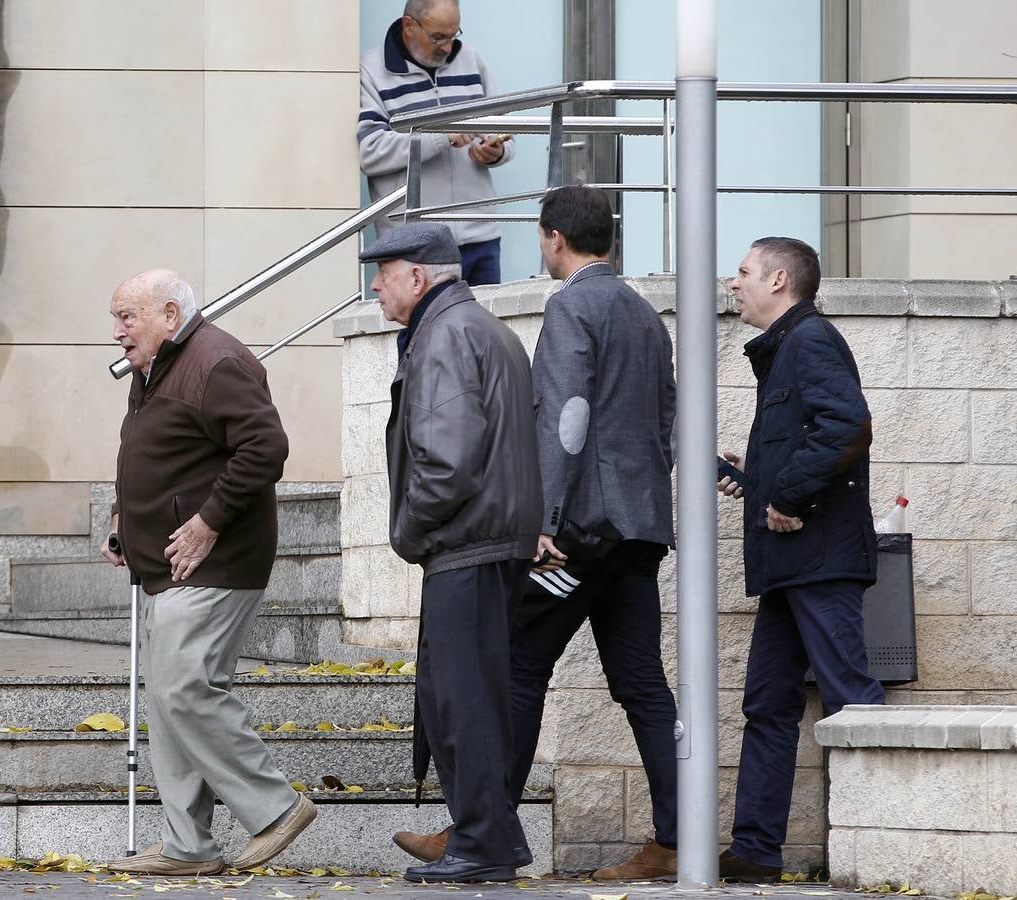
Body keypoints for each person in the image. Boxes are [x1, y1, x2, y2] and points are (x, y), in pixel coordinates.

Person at [393, 187, 681, 879]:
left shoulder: (572, 305)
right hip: (639, 529)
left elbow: (566, 417)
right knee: (642, 683)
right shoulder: (645, 314)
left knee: (516, 665)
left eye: (541, 239)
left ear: (554, 238)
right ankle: (677, 835)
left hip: (580, 533)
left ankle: (480, 828)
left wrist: (544, 520)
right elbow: (667, 417)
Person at [102, 270, 315, 876]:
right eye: (115, 318)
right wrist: (126, 517)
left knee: (183, 689)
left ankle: (276, 808)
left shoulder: (214, 361)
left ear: (170, 314)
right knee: (171, 702)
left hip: (214, 562)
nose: (117, 332)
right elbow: (158, 452)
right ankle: (187, 846)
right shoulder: (157, 367)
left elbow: (266, 448)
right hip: (167, 562)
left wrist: (207, 522)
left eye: (127, 317)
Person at [360, 223, 541, 882]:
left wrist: (409, 531)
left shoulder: (443, 336)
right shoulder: (483, 329)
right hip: (493, 541)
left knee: (458, 700)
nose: (375, 284)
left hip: (467, 543)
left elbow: (448, 460)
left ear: (418, 276)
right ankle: (492, 840)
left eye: (384, 271)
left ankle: (482, 843)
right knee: (474, 697)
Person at [717, 237, 885, 880]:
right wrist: (756, 471)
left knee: (851, 698)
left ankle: (880, 845)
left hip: (818, 559)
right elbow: (810, 437)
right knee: (768, 702)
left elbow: (847, 424)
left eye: (744, 273)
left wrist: (784, 493)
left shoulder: (809, 340)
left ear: (779, 279)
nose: (734, 285)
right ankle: (756, 852)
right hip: (791, 565)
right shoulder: (785, 350)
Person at [358, 0, 514, 285]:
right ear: (409, 26)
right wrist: (441, 137)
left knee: (484, 328)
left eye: (454, 35)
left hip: (480, 237)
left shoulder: (472, 59)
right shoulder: (372, 70)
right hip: (413, 242)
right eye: (438, 37)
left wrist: (496, 150)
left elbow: (505, 130)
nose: (447, 46)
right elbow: (370, 152)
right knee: (424, 329)